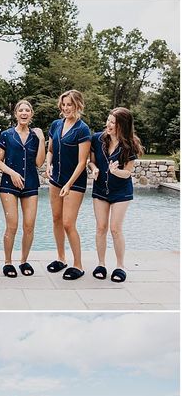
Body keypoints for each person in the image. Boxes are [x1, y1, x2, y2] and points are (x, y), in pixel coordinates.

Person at [88, 107, 143, 283]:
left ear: (123, 126)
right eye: (109, 120)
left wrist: (116, 171)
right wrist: (95, 169)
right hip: (100, 190)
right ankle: (101, 264)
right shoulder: (97, 138)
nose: (108, 124)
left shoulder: (130, 145)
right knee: (101, 227)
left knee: (115, 229)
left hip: (121, 191)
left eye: (113, 122)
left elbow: (127, 173)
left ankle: (120, 266)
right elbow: (91, 162)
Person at [0, 99, 45, 278]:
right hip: (9, 185)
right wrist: (13, 174)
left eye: (27, 110)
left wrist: (41, 139)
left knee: (29, 226)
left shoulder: (35, 136)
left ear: (31, 114)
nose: (24, 113)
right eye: (21, 110)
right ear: (16, 114)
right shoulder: (6, 135)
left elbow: (39, 162)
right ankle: (8, 263)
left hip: (31, 184)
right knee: (12, 226)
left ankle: (24, 261)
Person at [46, 89, 92, 280]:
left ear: (77, 105)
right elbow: (50, 149)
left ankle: (78, 265)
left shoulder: (83, 129)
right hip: (55, 180)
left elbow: (83, 161)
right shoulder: (56, 125)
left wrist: (69, 184)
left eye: (69, 104)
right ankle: (61, 258)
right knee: (56, 219)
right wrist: (48, 164)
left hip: (74, 182)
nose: (66, 108)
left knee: (68, 223)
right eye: (63, 104)